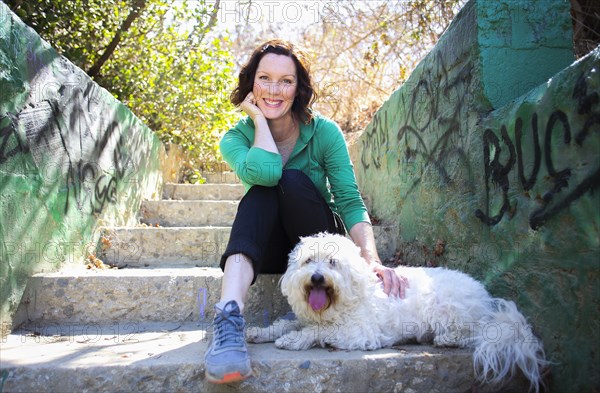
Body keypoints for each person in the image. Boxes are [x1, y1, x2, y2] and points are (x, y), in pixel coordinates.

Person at [203, 39, 409, 384]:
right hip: (273, 253)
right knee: (261, 193)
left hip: (318, 247)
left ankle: (230, 315)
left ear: (298, 89)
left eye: (286, 81)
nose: (274, 89)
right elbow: (266, 173)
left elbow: (348, 199)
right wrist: (257, 119)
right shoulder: (235, 139)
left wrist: (370, 258)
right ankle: (229, 317)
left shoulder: (324, 132)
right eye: (265, 78)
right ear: (251, 84)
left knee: (293, 181)